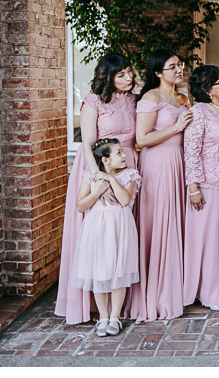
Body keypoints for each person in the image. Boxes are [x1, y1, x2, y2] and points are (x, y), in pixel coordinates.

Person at [56, 53, 137, 325]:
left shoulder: (132, 99)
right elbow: (88, 143)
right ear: (108, 76)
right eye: (121, 74)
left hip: (127, 164)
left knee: (124, 228)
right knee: (97, 232)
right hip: (98, 164)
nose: (128, 78)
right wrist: (99, 177)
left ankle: (120, 306)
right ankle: (96, 309)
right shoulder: (93, 100)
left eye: (129, 73)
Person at [126, 51, 193, 322]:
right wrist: (176, 127)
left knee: (178, 223)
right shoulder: (149, 99)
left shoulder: (183, 97)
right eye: (172, 67)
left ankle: (178, 288)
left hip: (181, 164)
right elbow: (141, 139)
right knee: (161, 225)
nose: (179, 70)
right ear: (157, 73)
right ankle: (156, 293)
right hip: (158, 165)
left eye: (180, 65)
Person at [183, 65, 219, 312]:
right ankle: (210, 292)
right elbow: (191, 151)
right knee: (210, 239)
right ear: (208, 90)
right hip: (209, 184)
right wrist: (193, 187)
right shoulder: (199, 112)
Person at [70, 138, 142, 337]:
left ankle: (115, 317)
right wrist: (98, 192)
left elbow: (125, 200)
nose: (124, 155)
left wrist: (110, 180)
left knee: (119, 271)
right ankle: (103, 316)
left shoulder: (129, 175)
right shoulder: (89, 177)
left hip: (120, 227)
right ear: (106, 160)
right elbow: (80, 206)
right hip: (97, 228)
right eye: (118, 153)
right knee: (99, 270)